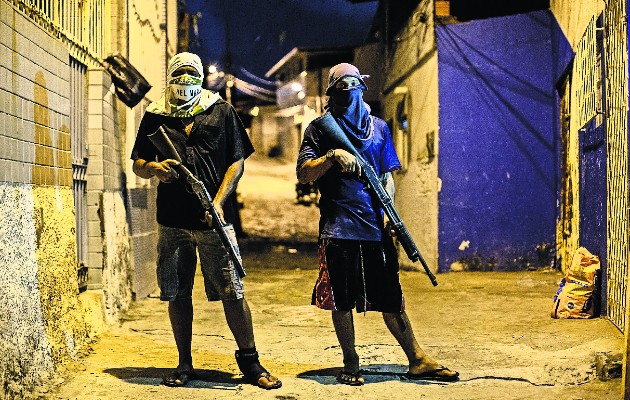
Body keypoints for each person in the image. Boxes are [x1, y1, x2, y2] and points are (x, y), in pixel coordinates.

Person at [296, 63, 459, 386]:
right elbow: (304, 173)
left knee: (390, 297)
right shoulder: (320, 129)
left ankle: (417, 359)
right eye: (342, 92)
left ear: (362, 90)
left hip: (374, 228)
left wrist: (390, 216)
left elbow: (387, 177)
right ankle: (351, 362)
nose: (349, 98)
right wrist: (331, 158)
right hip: (337, 228)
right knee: (341, 300)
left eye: (354, 90)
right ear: (332, 95)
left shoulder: (379, 129)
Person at [130, 52, 281, 390]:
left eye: (190, 73)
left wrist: (218, 202)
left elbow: (237, 162)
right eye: (179, 73)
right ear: (171, 76)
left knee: (233, 292)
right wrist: (154, 169)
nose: (185, 79)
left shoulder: (221, 111)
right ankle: (184, 363)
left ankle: (252, 364)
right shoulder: (155, 115)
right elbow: (138, 163)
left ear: (200, 77)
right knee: (177, 293)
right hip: (171, 222)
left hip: (213, 221)